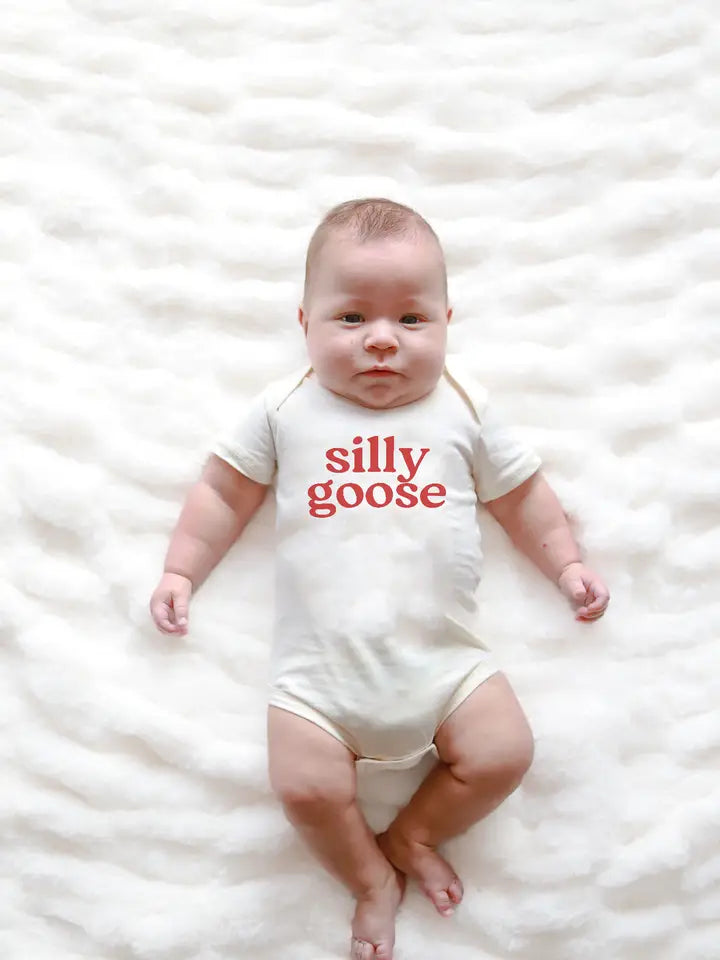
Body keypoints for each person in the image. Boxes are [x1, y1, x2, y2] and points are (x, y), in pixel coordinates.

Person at [149, 198, 610, 960]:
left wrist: (565, 563)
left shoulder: (465, 405)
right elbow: (224, 494)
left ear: (447, 321)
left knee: (505, 753)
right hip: (317, 683)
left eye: (412, 319)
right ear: (305, 322)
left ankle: (414, 835)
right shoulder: (284, 408)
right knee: (303, 788)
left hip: (445, 664)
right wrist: (180, 570)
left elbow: (522, 496)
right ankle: (369, 880)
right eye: (352, 317)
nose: (383, 340)